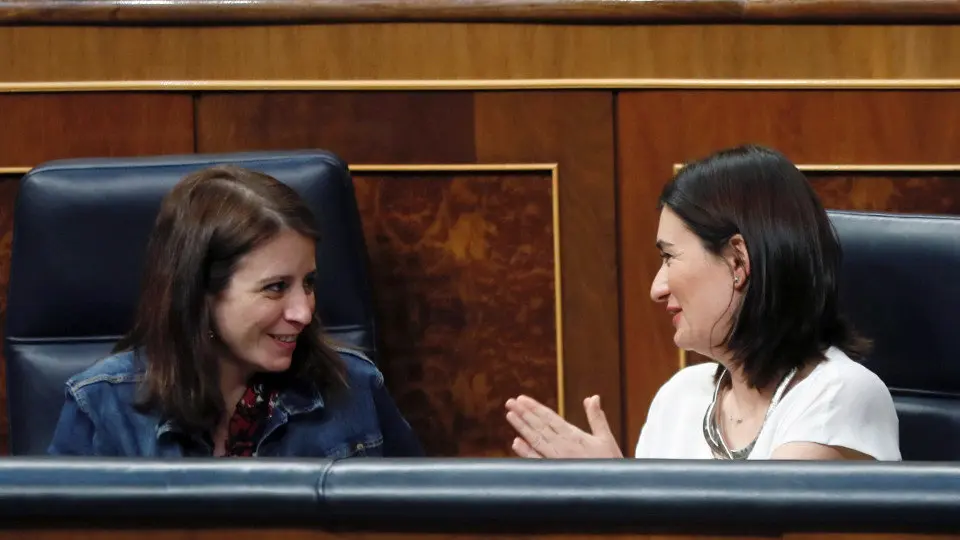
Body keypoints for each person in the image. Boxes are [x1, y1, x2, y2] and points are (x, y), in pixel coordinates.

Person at [505, 145, 901, 461]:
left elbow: (764, 524)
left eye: (669, 257)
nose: (656, 289)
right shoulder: (679, 397)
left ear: (737, 261)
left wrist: (617, 495)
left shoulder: (840, 394)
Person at [48, 165, 423, 458]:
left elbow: (421, 518)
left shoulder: (354, 386)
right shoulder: (101, 406)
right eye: (276, 287)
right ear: (200, 293)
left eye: (308, 283)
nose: (303, 313)